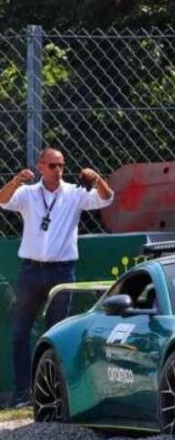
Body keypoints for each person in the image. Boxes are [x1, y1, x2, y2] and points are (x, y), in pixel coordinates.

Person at [0, 147, 114, 407]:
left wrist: (97, 179)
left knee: (57, 333)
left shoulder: (75, 193)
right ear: (41, 166)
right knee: (20, 332)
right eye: (52, 165)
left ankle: (53, 393)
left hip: (61, 271)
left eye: (61, 165)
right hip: (31, 270)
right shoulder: (28, 193)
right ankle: (22, 392)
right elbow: (2, 200)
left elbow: (107, 199)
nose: (58, 170)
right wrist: (16, 180)